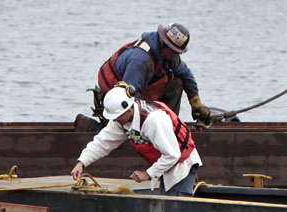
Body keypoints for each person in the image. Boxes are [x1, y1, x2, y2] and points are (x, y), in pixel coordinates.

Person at [70, 83, 202, 196]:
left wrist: (148, 174)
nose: (115, 121)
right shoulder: (121, 121)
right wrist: (82, 162)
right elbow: (103, 141)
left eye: (118, 117)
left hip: (182, 166)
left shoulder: (153, 120)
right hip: (167, 167)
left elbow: (173, 154)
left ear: (128, 110)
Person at [93, 23, 212, 124]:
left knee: (177, 82)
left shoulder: (169, 57)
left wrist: (196, 103)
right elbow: (129, 96)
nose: (178, 56)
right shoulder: (141, 60)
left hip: (135, 93)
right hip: (113, 101)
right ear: (165, 46)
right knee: (135, 114)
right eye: (176, 52)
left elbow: (186, 75)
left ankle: (170, 125)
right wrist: (149, 121)